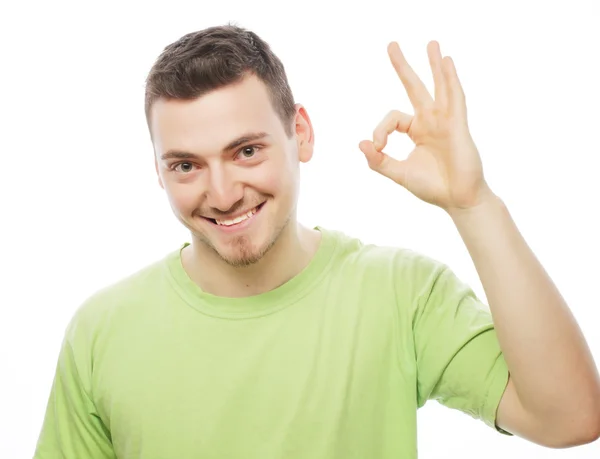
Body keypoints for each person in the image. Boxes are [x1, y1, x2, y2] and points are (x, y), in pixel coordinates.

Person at [34, 24, 600, 459]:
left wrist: (473, 204)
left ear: (299, 133)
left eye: (246, 151)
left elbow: (572, 417)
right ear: (159, 171)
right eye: (186, 165)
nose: (224, 192)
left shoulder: (401, 294)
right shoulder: (101, 331)